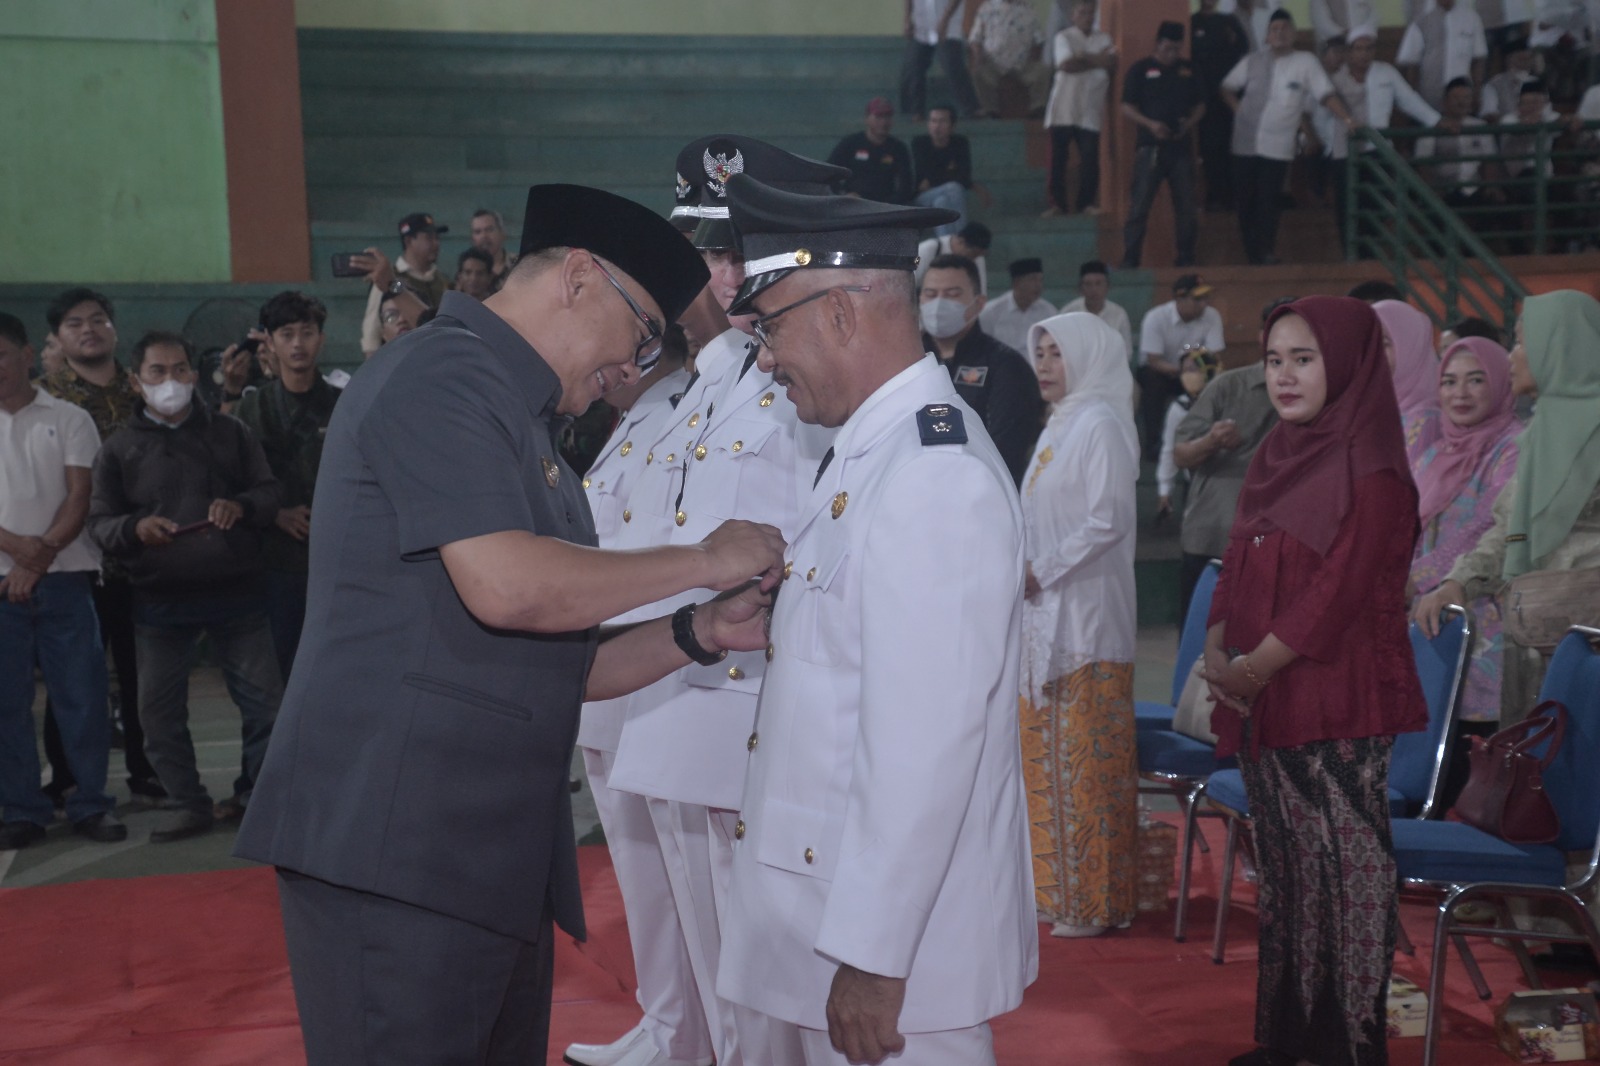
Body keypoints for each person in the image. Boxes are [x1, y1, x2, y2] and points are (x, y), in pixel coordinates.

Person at [234, 184, 788, 1065]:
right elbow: (510, 589)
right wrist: (704, 558)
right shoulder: (442, 377)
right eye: (641, 333)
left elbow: (561, 660)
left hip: (483, 849)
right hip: (399, 843)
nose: (633, 368)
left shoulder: (517, 411)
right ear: (578, 278)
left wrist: (701, 631)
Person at [716, 170, 1037, 1066]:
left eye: (770, 329)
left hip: (891, 963)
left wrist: (871, 955)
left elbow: (922, 747)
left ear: (839, 313)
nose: (765, 359)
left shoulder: (932, 475)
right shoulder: (874, 450)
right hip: (824, 916)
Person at [595, 138, 847, 1066]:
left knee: (766, 974)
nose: (708, 274)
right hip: (678, 692)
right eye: (706, 252)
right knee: (713, 959)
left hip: (743, 706)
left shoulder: (787, 387)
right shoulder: (714, 381)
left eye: (724, 252)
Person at [1203, 296, 1427, 1066]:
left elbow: (1339, 590)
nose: (1285, 376)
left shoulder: (1376, 469)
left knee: (1347, 876)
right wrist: (1215, 646)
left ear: (1350, 364)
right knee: (1290, 874)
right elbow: (1237, 557)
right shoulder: (1277, 451)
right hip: (1267, 697)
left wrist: (1251, 668)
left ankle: (1349, 1047)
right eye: (1274, 360)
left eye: (1305, 359)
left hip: (1339, 698)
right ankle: (1290, 1039)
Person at [87, 331, 285, 842]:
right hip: (159, 603)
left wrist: (241, 506)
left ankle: (262, 800)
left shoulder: (232, 432)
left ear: (195, 375)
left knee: (266, 705)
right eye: (157, 371)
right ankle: (188, 804)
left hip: (238, 595)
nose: (170, 381)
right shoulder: (117, 450)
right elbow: (100, 522)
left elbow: (268, 492)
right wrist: (135, 529)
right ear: (136, 381)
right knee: (157, 714)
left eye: (179, 369)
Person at [570, 324, 704, 1066]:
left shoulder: (684, 410)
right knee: (642, 870)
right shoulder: (633, 422)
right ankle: (667, 1021)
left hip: (648, 675)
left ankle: (680, 1032)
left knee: (666, 876)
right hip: (611, 676)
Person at [1412, 290, 1600, 724]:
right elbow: (1510, 530)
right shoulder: (1539, 433)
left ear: (1557, 347)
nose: (1512, 355)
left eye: (1521, 341)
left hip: (1588, 641)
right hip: (1537, 638)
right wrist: (1459, 581)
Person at [1021, 312, 1140, 940]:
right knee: (1047, 756)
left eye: (1057, 352)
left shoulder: (1100, 425)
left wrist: (1041, 569)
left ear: (1088, 357)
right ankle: (1056, 890)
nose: (1044, 364)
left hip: (1088, 616)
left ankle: (1096, 901)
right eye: (1039, 352)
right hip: (1045, 611)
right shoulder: (1060, 424)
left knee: (1087, 763)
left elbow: (1108, 518)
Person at [0, 313, 125, 849]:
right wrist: (17, 552)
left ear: (27, 355)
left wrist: (37, 559)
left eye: (1, 355)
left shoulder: (70, 418)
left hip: (67, 580)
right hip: (1, 584)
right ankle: (22, 810)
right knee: (6, 705)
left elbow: (81, 497)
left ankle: (91, 803)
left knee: (83, 698)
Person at [37, 288, 164, 804]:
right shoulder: (43, 401)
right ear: (57, 336)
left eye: (97, 319)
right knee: (72, 679)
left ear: (113, 327)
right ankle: (66, 777)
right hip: (72, 561)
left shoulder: (145, 392)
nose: (88, 330)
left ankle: (147, 772)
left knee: (144, 675)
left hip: (143, 558)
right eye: (74, 323)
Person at [1409, 338, 1521, 737]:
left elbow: (1489, 527)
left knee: (1478, 746)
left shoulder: (1514, 447)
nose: (1460, 393)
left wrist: (1417, 579)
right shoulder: (1434, 452)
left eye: (1475, 380)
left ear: (1500, 383)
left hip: (1485, 617)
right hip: (1428, 615)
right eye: (1449, 381)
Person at [232, 293, 341, 682]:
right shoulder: (250, 409)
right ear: (270, 341)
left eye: (307, 333)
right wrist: (275, 514)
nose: (298, 344)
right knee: (279, 669)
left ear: (321, 339)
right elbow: (233, 482)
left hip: (333, 559)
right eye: (287, 334)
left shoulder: (344, 405)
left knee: (334, 665)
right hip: (273, 561)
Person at [1221, 9, 1355, 265]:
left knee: (1268, 200)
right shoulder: (1252, 61)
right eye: (1274, 29)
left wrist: (1347, 119)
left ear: (1294, 34)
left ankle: (1266, 253)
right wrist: (1239, 111)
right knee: (1245, 201)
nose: (1280, 33)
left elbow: (1326, 94)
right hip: (1244, 143)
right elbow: (1227, 87)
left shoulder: (1306, 62)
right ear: (1267, 37)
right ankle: (1252, 255)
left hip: (1278, 145)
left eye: (1285, 28)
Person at [1172, 339, 1280, 620]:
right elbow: (1180, 454)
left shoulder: (1324, 394)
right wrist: (1212, 440)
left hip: (1274, 540)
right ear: (1264, 337)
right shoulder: (1227, 386)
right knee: (1199, 631)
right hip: (1214, 533)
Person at [919, 253, 1044, 485]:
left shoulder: (1007, 367)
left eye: (952, 294)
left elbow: (1006, 452)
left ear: (979, 303)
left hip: (979, 492)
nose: (939, 304)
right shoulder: (904, 362)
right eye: (930, 294)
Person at [1119, 21, 1205, 269]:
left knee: (1186, 206)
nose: (1172, 54)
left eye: (1177, 49)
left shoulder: (1189, 70)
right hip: (1150, 146)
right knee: (1139, 205)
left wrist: (1188, 124)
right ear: (1157, 44)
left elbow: (1201, 105)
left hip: (1180, 147)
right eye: (1168, 48)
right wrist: (1150, 124)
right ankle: (1131, 258)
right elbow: (1126, 106)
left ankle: (1186, 256)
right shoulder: (1140, 69)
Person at [1138, 274, 1225, 459]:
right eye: (1197, 299)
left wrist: (1194, 369)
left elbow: (1215, 355)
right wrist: (1183, 370)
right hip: (1164, 372)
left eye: (1205, 298)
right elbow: (1154, 360)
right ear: (1179, 299)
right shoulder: (1156, 317)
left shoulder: (1211, 316)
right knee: (1152, 380)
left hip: (1196, 370)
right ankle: (1154, 443)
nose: (1204, 304)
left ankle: (1206, 439)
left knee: (1215, 378)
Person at [1042, 0, 1116, 217]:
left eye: (1091, 13)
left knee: (1090, 158)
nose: (1087, 17)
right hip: (1063, 108)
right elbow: (1066, 65)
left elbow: (1111, 63)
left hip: (1090, 108)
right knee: (1058, 159)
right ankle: (1058, 204)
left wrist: (1083, 56)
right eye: (1082, 12)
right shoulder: (1063, 37)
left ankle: (1086, 203)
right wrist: (1097, 60)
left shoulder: (1104, 39)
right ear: (1073, 16)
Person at [355, 212, 451, 358]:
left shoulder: (442, 281)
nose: (436, 244)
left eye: (437, 238)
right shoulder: (386, 278)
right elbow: (372, 333)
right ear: (408, 241)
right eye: (429, 238)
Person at [1193, 0, 1253, 211]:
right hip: (1205, 94)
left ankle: (1234, 194)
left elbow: (1243, 47)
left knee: (1232, 143)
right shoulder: (1193, 22)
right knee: (1210, 147)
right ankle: (1215, 194)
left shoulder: (1228, 21)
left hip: (1229, 93)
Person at [1414, 77, 1503, 211]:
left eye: (1466, 98)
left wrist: (1491, 186)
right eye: (1456, 98)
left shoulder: (1480, 126)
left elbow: (1490, 160)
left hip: (1474, 189)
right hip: (1444, 190)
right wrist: (1433, 190)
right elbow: (1423, 164)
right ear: (1445, 101)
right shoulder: (1431, 127)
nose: (1461, 102)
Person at [1373, 299, 1443, 469]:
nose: (1373, 354)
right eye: (1369, 344)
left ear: (1409, 347)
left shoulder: (1426, 422)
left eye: (1384, 344)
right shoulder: (1375, 409)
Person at [1157, 347, 1220, 522]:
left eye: (1193, 370)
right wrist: (1164, 490)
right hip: (1193, 483)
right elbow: (1169, 449)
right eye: (1184, 371)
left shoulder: (1224, 401)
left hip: (1223, 481)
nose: (1188, 376)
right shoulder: (1178, 408)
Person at [901, 0, 985, 121]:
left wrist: (945, 20)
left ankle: (972, 109)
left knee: (952, 65)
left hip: (948, 27)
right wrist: (907, 19)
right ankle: (914, 112)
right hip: (922, 26)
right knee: (912, 67)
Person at [1397, 0, 1489, 111]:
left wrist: (1477, 92)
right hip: (1428, 98)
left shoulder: (1472, 19)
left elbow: (1479, 59)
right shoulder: (1421, 20)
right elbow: (1410, 63)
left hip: (1462, 98)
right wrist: (1413, 99)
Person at [967, 0, 1052, 117]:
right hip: (993, 63)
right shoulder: (986, 9)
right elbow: (975, 38)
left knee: (1042, 72)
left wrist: (1034, 58)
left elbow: (1039, 39)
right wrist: (978, 58)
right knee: (978, 73)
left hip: (1023, 63)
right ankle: (990, 111)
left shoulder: (1028, 9)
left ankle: (1038, 109)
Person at [827, 98, 914, 205]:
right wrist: (843, 194)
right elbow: (829, 172)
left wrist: (891, 203)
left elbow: (906, 185)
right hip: (854, 203)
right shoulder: (851, 143)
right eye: (878, 117)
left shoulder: (899, 148)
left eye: (887, 117)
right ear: (867, 118)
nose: (883, 122)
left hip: (886, 205)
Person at [912, 106, 981, 235]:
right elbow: (923, 176)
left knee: (941, 201)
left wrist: (933, 178)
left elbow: (964, 177)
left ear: (952, 125)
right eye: (933, 121)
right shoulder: (920, 143)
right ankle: (962, 237)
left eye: (942, 121)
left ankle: (946, 243)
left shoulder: (960, 143)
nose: (937, 126)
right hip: (922, 198)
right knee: (954, 187)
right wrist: (950, 173)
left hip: (941, 197)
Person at [979, 257, 1057, 355]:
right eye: (1032, 280)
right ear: (1017, 283)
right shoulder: (991, 312)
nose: (1038, 285)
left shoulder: (1048, 311)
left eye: (1040, 280)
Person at [1062, 259, 1133, 363]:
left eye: (1098, 283)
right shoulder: (1068, 313)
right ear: (1080, 288)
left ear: (1107, 287)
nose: (1094, 289)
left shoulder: (1119, 314)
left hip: (1110, 367)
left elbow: (1126, 351)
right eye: (1088, 284)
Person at [914, 222, 991, 295]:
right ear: (961, 242)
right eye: (973, 254)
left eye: (978, 255)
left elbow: (980, 290)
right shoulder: (926, 249)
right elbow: (913, 273)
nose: (974, 259)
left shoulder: (977, 258)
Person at [1481, 33, 1540, 120]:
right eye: (1521, 59)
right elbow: (1490, 113)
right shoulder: (1494, 84)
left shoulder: (1537, 83)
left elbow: (1546, 111)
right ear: (1509, 59)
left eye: (1528, 59)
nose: (1525, 63)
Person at [470, 208, 517, 286]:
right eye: (478, 232)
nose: (484, 236)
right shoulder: (467, 272)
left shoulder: (518, 265)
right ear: (472, 239)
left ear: (502, 234)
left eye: (489, 230)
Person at [1310, 0, 1378, 47]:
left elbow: (1373, 15)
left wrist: (1361, 34)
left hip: (1363, 43)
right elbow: (1322, 23)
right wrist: (1346, 35)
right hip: (1332, 46)